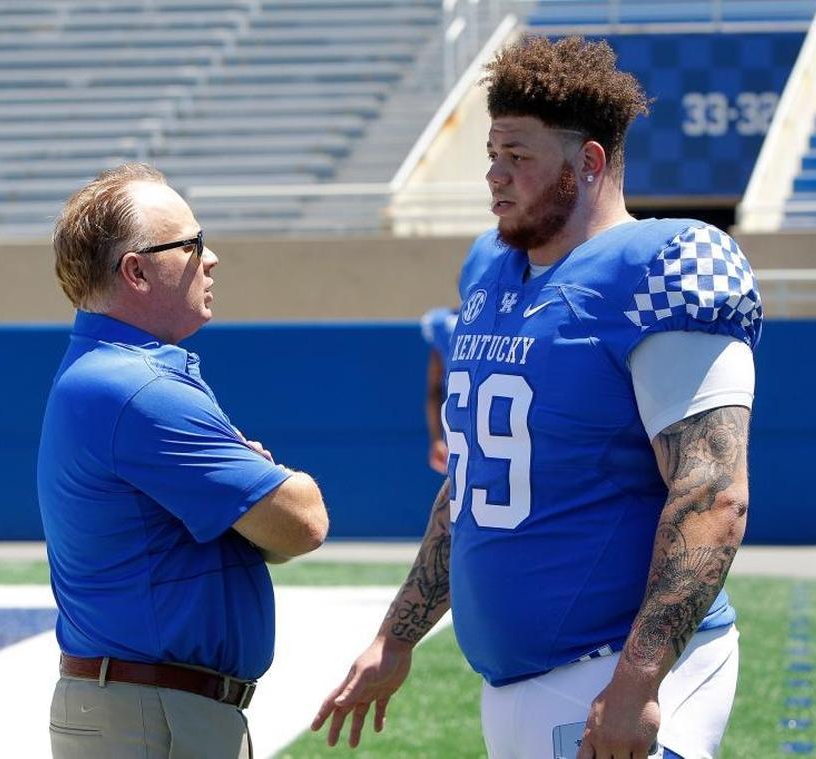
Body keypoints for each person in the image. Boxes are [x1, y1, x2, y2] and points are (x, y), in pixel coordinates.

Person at [313, 35, 761, 759]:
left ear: (587, 162)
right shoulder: (491, 268)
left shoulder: (663, 270)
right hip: (522, 686)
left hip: (614, 671)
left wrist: (638, 680)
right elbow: (475, 482)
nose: (495, 176)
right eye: (491, 154)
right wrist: (396, 638)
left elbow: (712, 492)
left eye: (517, 156)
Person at [38, 162, 329, 758]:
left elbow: (268, 535)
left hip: (149, 710)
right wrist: (279, 487)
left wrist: (260, 507)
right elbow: (302, 523)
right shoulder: (138, 390)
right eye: (192, 244)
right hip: (153, 717)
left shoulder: (117, 375)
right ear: (137, 271)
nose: (212, 258)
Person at [420, 231, 512, 473]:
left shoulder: (513, 316)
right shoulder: (442, 323)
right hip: (467, 433)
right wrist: (437, 438)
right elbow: (434, 388)